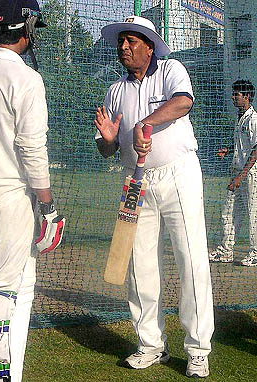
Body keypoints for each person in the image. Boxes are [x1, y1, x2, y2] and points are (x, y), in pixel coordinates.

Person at [94, 15, 214, 378]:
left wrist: (146, 123)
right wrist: (111, 140)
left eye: (132, 40)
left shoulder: (171, 69)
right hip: (136, 181)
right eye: (121, 41)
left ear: (149, 45)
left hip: (178, 172)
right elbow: (106, 149)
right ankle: (149, 344)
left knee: (191, 259)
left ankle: (197, 349)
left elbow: (183, 102)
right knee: (139, 264)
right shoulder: (115, 90)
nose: (124, 47)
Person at [0, 1, 65, 381]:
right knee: (3, 290)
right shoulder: (25, 78)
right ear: (24, 28)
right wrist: (48, 207)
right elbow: (31, 148)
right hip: (8, 199)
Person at [209, 80, 257, 266]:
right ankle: (225, 251)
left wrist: (241, 176)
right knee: (228, 213)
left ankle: (255, 253)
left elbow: (255, 149)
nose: (233, 97)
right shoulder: (240, 118)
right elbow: (244, 146)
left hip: (250, 174)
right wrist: (229, 150)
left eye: (236, 94)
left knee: (253, 214)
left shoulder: (253, 119)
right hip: (237, 172)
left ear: (246, 96)